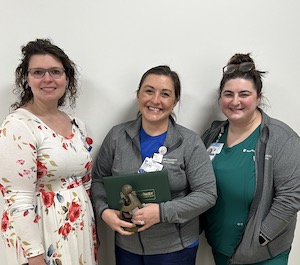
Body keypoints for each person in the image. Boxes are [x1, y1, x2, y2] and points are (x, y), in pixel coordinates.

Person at [91, 65, 217, 265]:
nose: (155, 100)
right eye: (149, 91)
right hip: (127, 247)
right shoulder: (117, 137)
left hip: (175, 249)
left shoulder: (189, 142)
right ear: (138, 94)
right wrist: (104, 211)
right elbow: (98, 180)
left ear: (175, 101)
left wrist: (161, 213)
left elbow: (207, 194)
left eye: (165, 94)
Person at [0, 39, 98, 265]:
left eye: (55, 71)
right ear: (27, 78)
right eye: (38, 72)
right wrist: (35, 256)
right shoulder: (18, 126)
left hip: (77, 230)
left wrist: (92, 235)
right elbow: (17, 198)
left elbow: (85, 183)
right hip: (41, 236)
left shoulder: (77, 125)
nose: (47, 79)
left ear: (67, 78)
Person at [201, 53, 300, 265]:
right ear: (220, 97)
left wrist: (261, 238)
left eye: (244, 94)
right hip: (221, 247)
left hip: (263, 253)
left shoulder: (281, 138)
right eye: (228, 94)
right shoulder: (212, 134)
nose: (235, 101)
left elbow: (291, 197)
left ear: (258, 97)